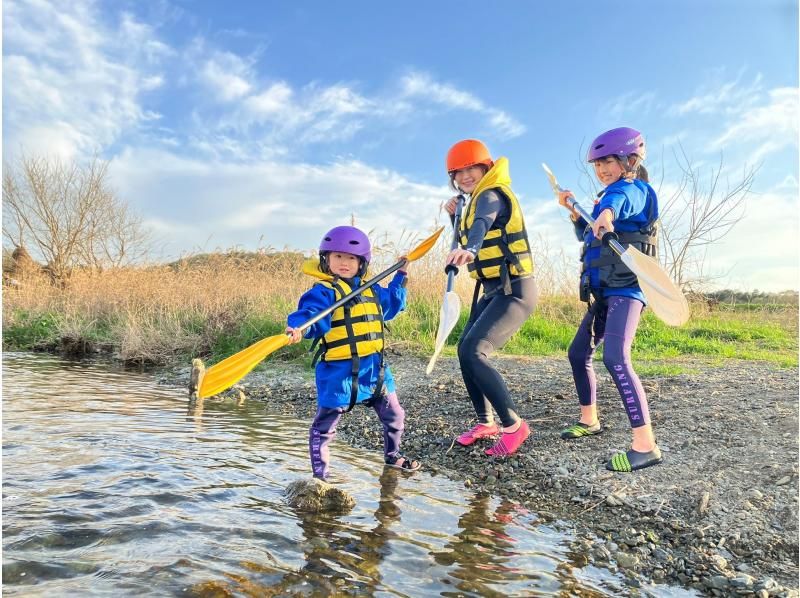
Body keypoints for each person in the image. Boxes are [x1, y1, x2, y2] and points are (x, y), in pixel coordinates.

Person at [556, 126, 662, 472]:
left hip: (628, 291)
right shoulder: (605, 199)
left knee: (616, 357)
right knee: (577, 353)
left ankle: (645, 446)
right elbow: (590, 233)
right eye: (598, 165)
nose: (602, 170)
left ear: (630, 160)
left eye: (609, 162)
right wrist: (578, 216)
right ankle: (590, 421)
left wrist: (607, 212)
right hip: (603, 293)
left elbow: (620, 201)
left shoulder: (635, 191)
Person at [285, 225, 420, 479]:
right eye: (337, 256)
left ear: (361, 263)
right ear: (326, 260)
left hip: (376, 370)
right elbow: (311, 315)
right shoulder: (323, 293)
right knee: (325, 426)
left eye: (351, 258)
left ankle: (393, 457)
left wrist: (401, 273)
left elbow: (393, 304)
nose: (344, 263)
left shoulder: (372, 290)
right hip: (339, 374)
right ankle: (321, 477)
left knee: (395, 416)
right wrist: (298, 327)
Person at [443, 139, 538, 457]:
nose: (466, 176)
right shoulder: (472, 201)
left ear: (486, 167)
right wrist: (454, 218)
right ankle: (486, 423)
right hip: (491, 289)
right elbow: (472, 226)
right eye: (459, 172)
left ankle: (514, 426)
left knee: (474, 351)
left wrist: (469, 250)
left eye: (472, 168)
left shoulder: (491, 195)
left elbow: (483, 223)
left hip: (515, 290)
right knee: (463, 350)